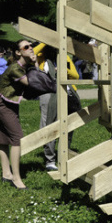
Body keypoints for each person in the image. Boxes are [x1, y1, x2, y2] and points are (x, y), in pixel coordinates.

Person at [0, 39, 37, 189]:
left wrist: (33, 63)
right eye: (26, 47)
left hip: (10, 103)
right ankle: (16, 179)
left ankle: (6, 173)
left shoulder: (23, 66)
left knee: (4, 138)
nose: (31, 48)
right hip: (2, 103)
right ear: (18, 52)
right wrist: (35, 65)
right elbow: (33, 83)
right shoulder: (15, 68)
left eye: (31, 46)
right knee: (17, 138)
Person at [33, 43, 80, 171]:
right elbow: (32, 52)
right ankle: (50, 159)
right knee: (49, 123)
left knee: (70, 124)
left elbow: (75, 76)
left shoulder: (64, 57)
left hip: (67, 93)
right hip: (48, 93)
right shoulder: (40, 57)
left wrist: (64, 70)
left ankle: (64, 155)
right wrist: (44, 41)